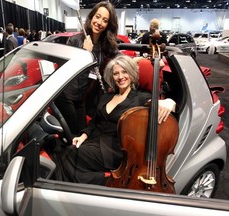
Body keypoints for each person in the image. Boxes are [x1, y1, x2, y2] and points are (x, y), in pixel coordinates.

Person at [49, 54, 176, 185]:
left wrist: (170, 102)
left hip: (114, 150)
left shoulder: (141, 98)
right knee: (56, 145)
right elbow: (94, 122)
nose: (120, 77)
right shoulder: (106, 96)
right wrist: (83, 135)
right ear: (112, 76)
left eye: (124, 72)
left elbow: (160, 105)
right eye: (116, 73)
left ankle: (97, 182)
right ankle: (96, 181)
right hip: (94, 141)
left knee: (68, 154)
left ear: (132, 74)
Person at [54, 1, 119, 135]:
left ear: (108, 25)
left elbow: (120, 58)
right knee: (73, 134)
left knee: (83, 133)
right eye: (97, 16)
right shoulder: (75, 41)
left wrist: (145, 60)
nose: (99, 22)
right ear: (91, 17)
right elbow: (67, 72)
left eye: (105, 20)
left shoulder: (104, 45)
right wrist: (85, 53)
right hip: (66, 95)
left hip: (80, 98)